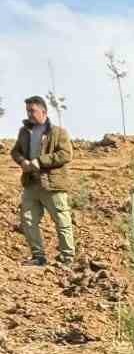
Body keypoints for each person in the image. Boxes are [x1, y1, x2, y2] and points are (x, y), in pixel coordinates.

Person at [10, 96, 75, 267]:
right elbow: (15, 151)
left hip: (52, 183)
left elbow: (66, 154)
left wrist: (40, 161)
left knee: (62, 220)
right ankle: (38, 257)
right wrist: (22, 161)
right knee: (28, 220)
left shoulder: (58, 132)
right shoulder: (24, 132)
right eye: (28, 111)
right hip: (31, 183)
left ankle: (67, 258)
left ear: (44, 111)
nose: (29, 114)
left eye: (32, 111)